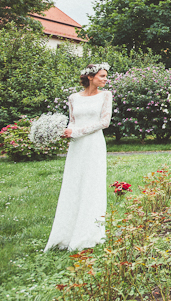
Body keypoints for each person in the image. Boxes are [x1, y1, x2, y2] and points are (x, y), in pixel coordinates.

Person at [45, 63, 113, 252]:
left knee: (92, 184)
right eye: (102, 76)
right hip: (76, 147)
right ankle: (66, 234)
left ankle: (89, 233)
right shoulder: (73, 98)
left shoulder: (106, 96)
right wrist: (66, 131)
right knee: (73, 184)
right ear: (90, 77)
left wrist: (76, 132)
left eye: (106, 76)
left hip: (93, 144)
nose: (105, 79)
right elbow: (72, 121)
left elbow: (104, 122)